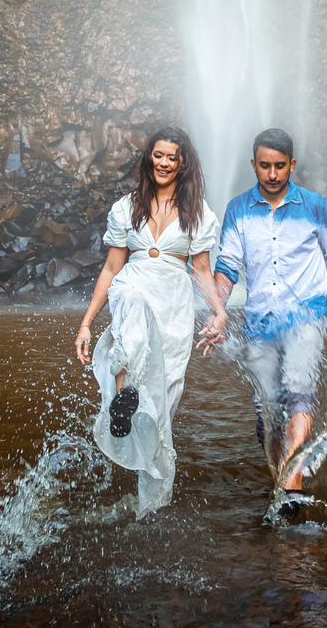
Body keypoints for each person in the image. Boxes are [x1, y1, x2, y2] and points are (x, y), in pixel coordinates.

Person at [204, 128, 327, 518]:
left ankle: (292, 487)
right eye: (264, 166)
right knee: (268, 411)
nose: (271, 174)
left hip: (306, 318)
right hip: (259, 323)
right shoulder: (237, 209)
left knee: (299, 392)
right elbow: (227, 268)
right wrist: (218, 312)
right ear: (253, 164)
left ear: (292, 165)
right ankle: (282, 480)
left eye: (279, 166)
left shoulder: (317, 207)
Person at [75, 127, 226, 518]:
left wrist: (218, 310)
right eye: (158, 155)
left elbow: (203, 272)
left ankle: (151, 506)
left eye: (172, 157)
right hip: (135, 284)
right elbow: (112, 268)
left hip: (175, 304)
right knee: (134, 306)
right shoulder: (127, 207)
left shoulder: (198, 212)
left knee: (163, 405)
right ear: (149, 158)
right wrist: (87, 323)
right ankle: (124, 395)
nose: (164, 162)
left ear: (182, 163)